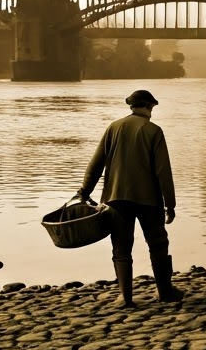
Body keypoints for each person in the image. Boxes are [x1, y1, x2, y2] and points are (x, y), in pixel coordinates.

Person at [78, 90, 184, 307]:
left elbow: (96, 164)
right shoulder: (153, 131)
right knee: (157, 244)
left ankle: (125, 297)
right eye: (152, 108)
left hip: (116, 199)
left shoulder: (113, 128)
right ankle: (165, 291)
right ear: (149, 107)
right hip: (149, 200)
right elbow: (163, 171)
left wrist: (84, 192)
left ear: (132, 106)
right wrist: (170, 204)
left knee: (121, 248)